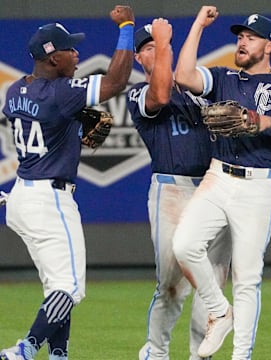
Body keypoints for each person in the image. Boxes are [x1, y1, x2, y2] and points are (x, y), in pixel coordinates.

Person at [172, 6, 271, 360]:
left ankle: (241, 356)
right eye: (240, 37)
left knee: (247, 278)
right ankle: (220, 312)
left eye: (251, 38)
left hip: (257, 187)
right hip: (218, 176)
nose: (242, 42)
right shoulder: (224, 78)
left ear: (269, 46)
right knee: (184, 246)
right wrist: (198, 25)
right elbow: (184, 75)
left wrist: (269, 123)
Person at [0, 5, 134, 360]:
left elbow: (50, 111)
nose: (77, 54)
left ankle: (58, 356)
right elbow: (117, 81)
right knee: (70, 288)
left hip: (22, 197)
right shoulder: (60, 93)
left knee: (55, 287)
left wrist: (74, 122)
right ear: (52, 57)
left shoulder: (16, 91)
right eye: (69, 49)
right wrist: (126, 26)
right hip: (50, 199)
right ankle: (25, 349)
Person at [126, 18, 231, 360]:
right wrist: (166, 44)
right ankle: (156, 353)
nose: (156, 51)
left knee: (210, 286)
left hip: (214, 190)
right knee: (171, 286)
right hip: (173, 192)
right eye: (149, 48)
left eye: (160, 46)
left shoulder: (200, 90)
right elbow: (160, 92)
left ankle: (201, 356)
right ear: (138, 59)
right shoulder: (139, 95)